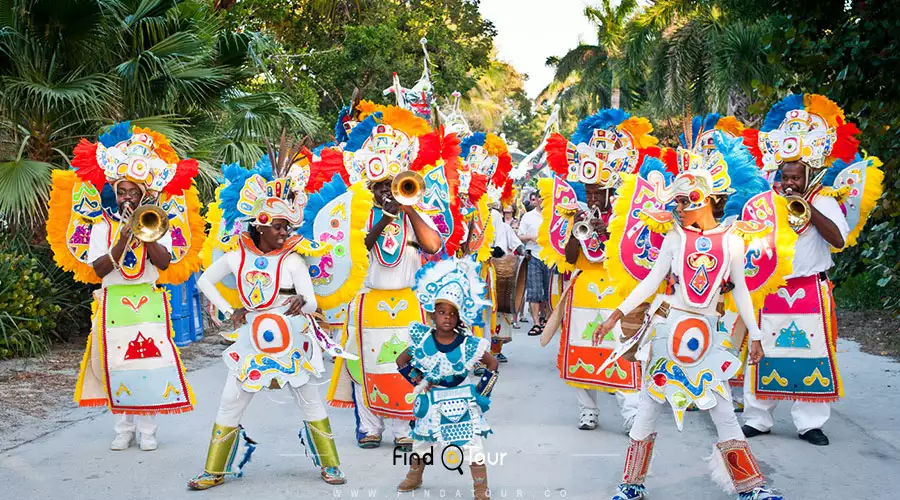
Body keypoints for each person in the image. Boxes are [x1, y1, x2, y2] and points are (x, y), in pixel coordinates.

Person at [596, 132, 792, 500]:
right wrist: (616, 314)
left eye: (687, 200)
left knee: (722, 412)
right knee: (648, 410)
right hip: (669, 332)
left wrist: (757, 336)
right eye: (678, 201)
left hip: (706, 336)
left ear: (709, 198)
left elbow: (743, 292)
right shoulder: (673, 237)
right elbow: (652, 281)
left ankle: (751, 487)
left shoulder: (733, 239)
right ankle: (630, 485)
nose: (681, 207)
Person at [189, 155, 356, 489]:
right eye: (279, 226)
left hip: (291, 339)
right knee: (230, 399)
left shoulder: (294, 260)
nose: (284, 233)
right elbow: (204, 281)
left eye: (287, 227)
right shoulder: (237, 257)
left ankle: (331, 465)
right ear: (260, 223)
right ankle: (214, 470)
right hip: (251, 340)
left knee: (309, 399)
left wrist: (301, 301)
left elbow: (311, 300)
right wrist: (227, 309)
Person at [46, 123, 201, 452]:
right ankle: (123, 427)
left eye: (133, 192)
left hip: (147, 301)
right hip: (113, 302)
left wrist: (142, 231)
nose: (127, 197)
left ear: (143, 194)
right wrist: (123, 237)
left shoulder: (155, 221)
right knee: (116, 364)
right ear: (114, 193)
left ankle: (148, 429)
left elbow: (163, 263)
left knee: (148, 365)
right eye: (122, 192)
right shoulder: (102, 226)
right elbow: (100, 268)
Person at [740, 94, 882, 446]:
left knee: (812, 353)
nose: (789, 183)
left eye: (795, 178)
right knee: (762, 353)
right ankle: (758, 418)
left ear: (808, 175)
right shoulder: (767, 203)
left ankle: (810, 424)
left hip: (810, 291)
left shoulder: (824, 200)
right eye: (785, 177)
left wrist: (808, 206)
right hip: (772, 291)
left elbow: (837, 239)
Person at [327, 107, 442, 451]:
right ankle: (369, 427)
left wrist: (409, 209)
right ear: (371, 189)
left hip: (406, 301)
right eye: (382, 189)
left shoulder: (412, 214)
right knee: (365, 368)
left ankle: (403, 428)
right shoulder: (361, 216)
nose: (388, 194)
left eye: (393, 187)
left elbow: (434, 245)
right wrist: (384, 216)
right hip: (367, 302)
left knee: (405, 366)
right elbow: (359, 248)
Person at [537, 110, 660, 431]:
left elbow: (634, 253)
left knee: (621, 348)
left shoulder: (627, 215)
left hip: (616, 293)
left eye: (597, 191)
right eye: (588, 191)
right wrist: (581, 227)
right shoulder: (576, 212)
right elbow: (568, 255)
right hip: (583, 291)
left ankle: (631, 410)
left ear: (611, 190)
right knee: (583, 347)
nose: (591, 196)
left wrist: (605, 231)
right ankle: (587, 410)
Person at [395, 257, 499, 500]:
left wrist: (481, 394)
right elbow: (401, 362)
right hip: (431, 400)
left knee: (473, 446)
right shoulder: (421, 339)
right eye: (442, 312)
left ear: (460, 316)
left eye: (452, 313)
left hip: (463, 400)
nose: (447, 318)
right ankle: (415, 475)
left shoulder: (469, 343)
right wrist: (420, 382)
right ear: (432, 313)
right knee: (421, 441)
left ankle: (480, 489)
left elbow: (492, 364)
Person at [518, 191, 550, 335]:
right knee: (534, 291)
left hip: (550, 258)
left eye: (545, 198)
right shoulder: (528, 216)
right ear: (535, 200)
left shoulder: (554, 216)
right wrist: (531, 237)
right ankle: (536, 323)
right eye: (540, 198)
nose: (542, 200)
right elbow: (520, 236)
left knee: (548, 292)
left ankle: (545, 319)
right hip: (534, 256)